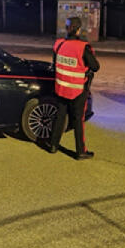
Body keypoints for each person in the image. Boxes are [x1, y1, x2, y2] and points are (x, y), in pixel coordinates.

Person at [47, 17, 100, 159]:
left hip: (61, 88)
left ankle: (53, 145)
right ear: (78, 30)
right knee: (78, 120)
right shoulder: (82, 47)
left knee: (60, 116)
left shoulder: (58, 44)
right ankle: (80, 151)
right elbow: (95, 67)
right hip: (77, 90)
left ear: (66, 28)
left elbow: (55, 64)